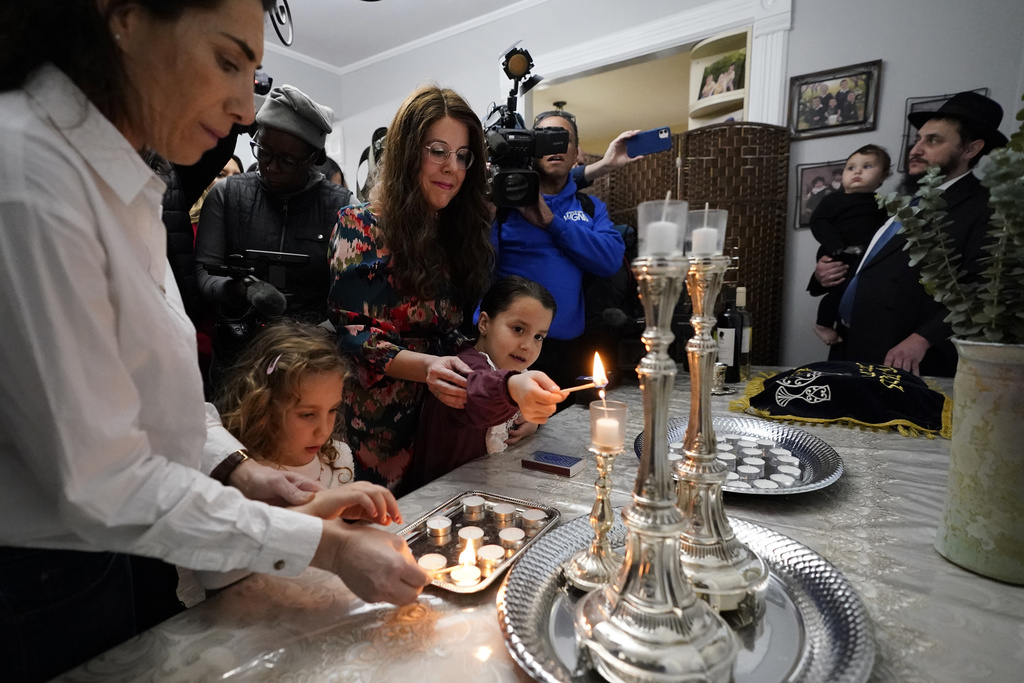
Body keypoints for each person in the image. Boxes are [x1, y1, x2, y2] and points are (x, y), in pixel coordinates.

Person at [0, 2, 428, 680]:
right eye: (227, 60)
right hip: (44, 578)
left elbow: (150, 393)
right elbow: (105, 480)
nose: (242, 109)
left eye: (250, 73)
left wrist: (240, 470)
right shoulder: (30, 178)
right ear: (124, 16)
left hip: (128, 548)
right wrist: (328, 546)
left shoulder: (124, 185)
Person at [327, 85, 551, 494]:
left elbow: (467, 337)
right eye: (437, 151)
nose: (453, 167)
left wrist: (512, 402)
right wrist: (429, 367)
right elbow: (355, 337)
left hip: (446, 413)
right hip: (381, 421)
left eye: (463, 156)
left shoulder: (459, 231)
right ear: (406, 151)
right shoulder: (361, 224)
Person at [813, 91, 1007, 376]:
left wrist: (924, 338)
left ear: (970, 150)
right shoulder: (904, 201)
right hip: (850, 343)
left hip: (905, 357)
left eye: (933, 141)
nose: (916, 149)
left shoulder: (986, 207)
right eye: (918, 139)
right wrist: (823, 274)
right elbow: (870, 263)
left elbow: (984, 290)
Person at [200, 320, 402, 590]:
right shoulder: (234, 474)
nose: (324, 429)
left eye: (332, 410)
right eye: (307, 415)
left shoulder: (338, 456)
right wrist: (315, 513)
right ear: (263, 405)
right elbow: (213, 576)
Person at [194, 84, 354, 380]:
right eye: (264, 152)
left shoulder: (345, 209)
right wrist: (239, 289)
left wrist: (312, 338)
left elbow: (352, 298)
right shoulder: (226, 196)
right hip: (236, 364)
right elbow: (204, 274)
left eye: (287, 160)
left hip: (312, 365)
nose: (271, 167)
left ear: (314, 158)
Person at [490, 110, 626, 402]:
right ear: (530, 150)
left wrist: (552, 222)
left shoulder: (591, 208)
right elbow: (474, 269)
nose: (554, 148)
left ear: (577, 153)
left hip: (569, 352)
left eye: (562, 140)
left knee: (563, 442)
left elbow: (610, 260)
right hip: (509, 351)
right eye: (544, 140)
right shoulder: (504, 206)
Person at [413, 276, 562, 486]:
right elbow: (479, 394)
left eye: (538, 337)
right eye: (518, 329)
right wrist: (513, 391)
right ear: (484, 323)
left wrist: (532, 422)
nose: (528, 345)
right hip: (446, 495)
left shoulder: (513, 368)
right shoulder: (464, 367)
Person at [807, 145, 892, 347]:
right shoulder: (834, 199)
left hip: (866, 259)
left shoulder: (884, 204)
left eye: (867, 166)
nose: (858, 172)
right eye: (851, 168)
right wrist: (834, 244)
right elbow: (818, 221)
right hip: (839, 253)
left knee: (857, 294)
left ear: (883, 176)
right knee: (839, 292)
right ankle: (823, 324)